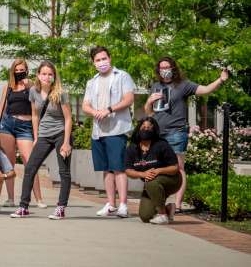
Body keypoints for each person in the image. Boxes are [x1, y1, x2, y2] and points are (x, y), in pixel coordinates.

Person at [145, 57, 228, 211]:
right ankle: (160, 201)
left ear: (173, 68)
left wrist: (220, 80)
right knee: (157, 167)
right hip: (158, 133)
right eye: (162, 68)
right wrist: (149, 101)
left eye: (167, 67)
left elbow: (205, 89)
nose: (165, 70)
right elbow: (150, 113)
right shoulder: (156, 86)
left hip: (176, 131)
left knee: (178, 167)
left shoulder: (183, 85)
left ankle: (177, 204)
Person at [12, 61, 73, 220]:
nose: (47, 77)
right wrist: (36, 137)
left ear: (54, 76)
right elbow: (35, 115)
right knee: (30, 168)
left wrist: (66, 142)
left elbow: (68, 119)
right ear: (38, 75)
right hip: (44, 135)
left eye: (50, 74)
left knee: (64, 171)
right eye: (44, 73)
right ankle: (23, 207)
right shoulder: (33, 91)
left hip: (61, 133)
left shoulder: (61, 93)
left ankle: (61, 208)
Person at [82, 46, 135, 218]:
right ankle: (111, 204)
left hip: (117, 129)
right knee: (106, 169)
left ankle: (123, 205)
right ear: (93, 63)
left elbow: (129, 99)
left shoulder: (122, 76)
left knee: (118, 168)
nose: (102, 62)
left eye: (104, 58)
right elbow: (85, 105)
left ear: (110, 58)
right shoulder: (92, 82)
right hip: (98, 131)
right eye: (98, 60)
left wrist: (109, 109)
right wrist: (94, 112)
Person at [0, 58, 45, 208]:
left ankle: (39, 199)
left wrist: (36, 135)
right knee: (8, 163)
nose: (19, 73)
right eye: (16, 71)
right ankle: (10, 198)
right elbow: (1, 107)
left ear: (26, 71)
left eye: (21, 70)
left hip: (25, 126)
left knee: (30, 162)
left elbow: (36, 111)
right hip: (7, 125)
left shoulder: (31, 86)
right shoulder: (8, 87)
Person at [125, 117, 181, 224]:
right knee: (145, 216)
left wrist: (158, 171)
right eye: (143, 127)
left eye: (149, 128)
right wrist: (142, 173)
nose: (146, 129)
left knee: (150, 182)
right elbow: (128, 170)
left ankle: (162, 215)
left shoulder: (161, 145)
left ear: (154, 130)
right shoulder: (132, 148)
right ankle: (168, 208)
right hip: (150, 183)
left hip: (172, 180)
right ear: (138, 129)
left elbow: (174, 168)